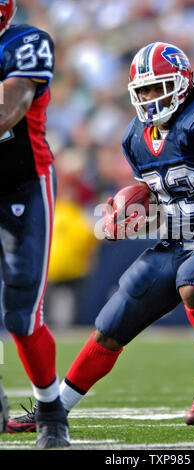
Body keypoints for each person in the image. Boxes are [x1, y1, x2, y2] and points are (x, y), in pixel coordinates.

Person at [7, 41, 194, 432]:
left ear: (181, 84)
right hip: (178, 240)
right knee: (111, 323)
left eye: (157, 87)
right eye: (143, 90)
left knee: (193, 279)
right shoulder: (134, 137)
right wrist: (130, 219)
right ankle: (54, 409)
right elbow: (165, 201)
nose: (149, 97)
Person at [0, 0, 70, 448]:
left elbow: (9, 109)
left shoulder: (25, 43)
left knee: (22, 312)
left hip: (22, 184)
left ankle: (49, 409)